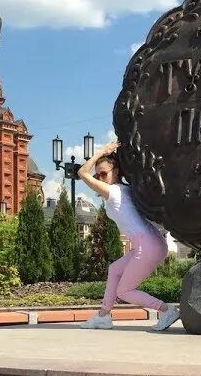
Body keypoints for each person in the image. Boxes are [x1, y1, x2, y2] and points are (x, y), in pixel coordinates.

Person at [76, 141, 181, 331]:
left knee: (124, 291)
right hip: (151, 243)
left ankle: (167, 310)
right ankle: (103, 315)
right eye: (97, 175)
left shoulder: (114, 192)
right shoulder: (125, 190)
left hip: (147, 246)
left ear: (116, 171)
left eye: (103, 174)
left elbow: (82, 173)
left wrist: (101, 152)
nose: (99, 178)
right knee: (115, 269)